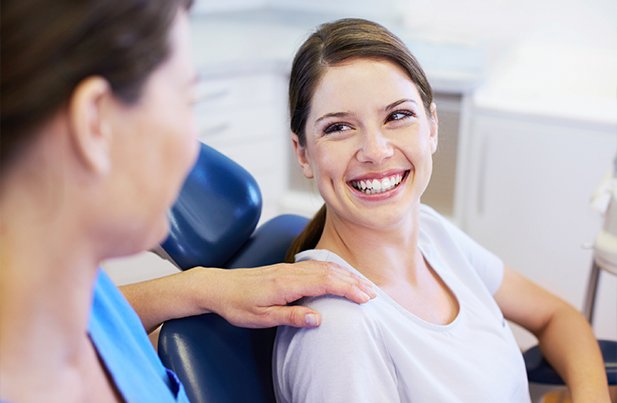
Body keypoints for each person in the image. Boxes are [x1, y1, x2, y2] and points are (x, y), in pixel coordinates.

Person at [0, 2, 377, 401]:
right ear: (95, 124)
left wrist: (199, 288)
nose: (193, 152)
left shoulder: (75, 288)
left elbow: (105, 317)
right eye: (186, 101)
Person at [273, 18, 611, 403]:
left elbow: (557, 316)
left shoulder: (432, 234)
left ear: (432, 126)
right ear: (303, 153)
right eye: (338, 128)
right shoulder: (337, 331)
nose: (376, 150)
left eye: (397, 116)